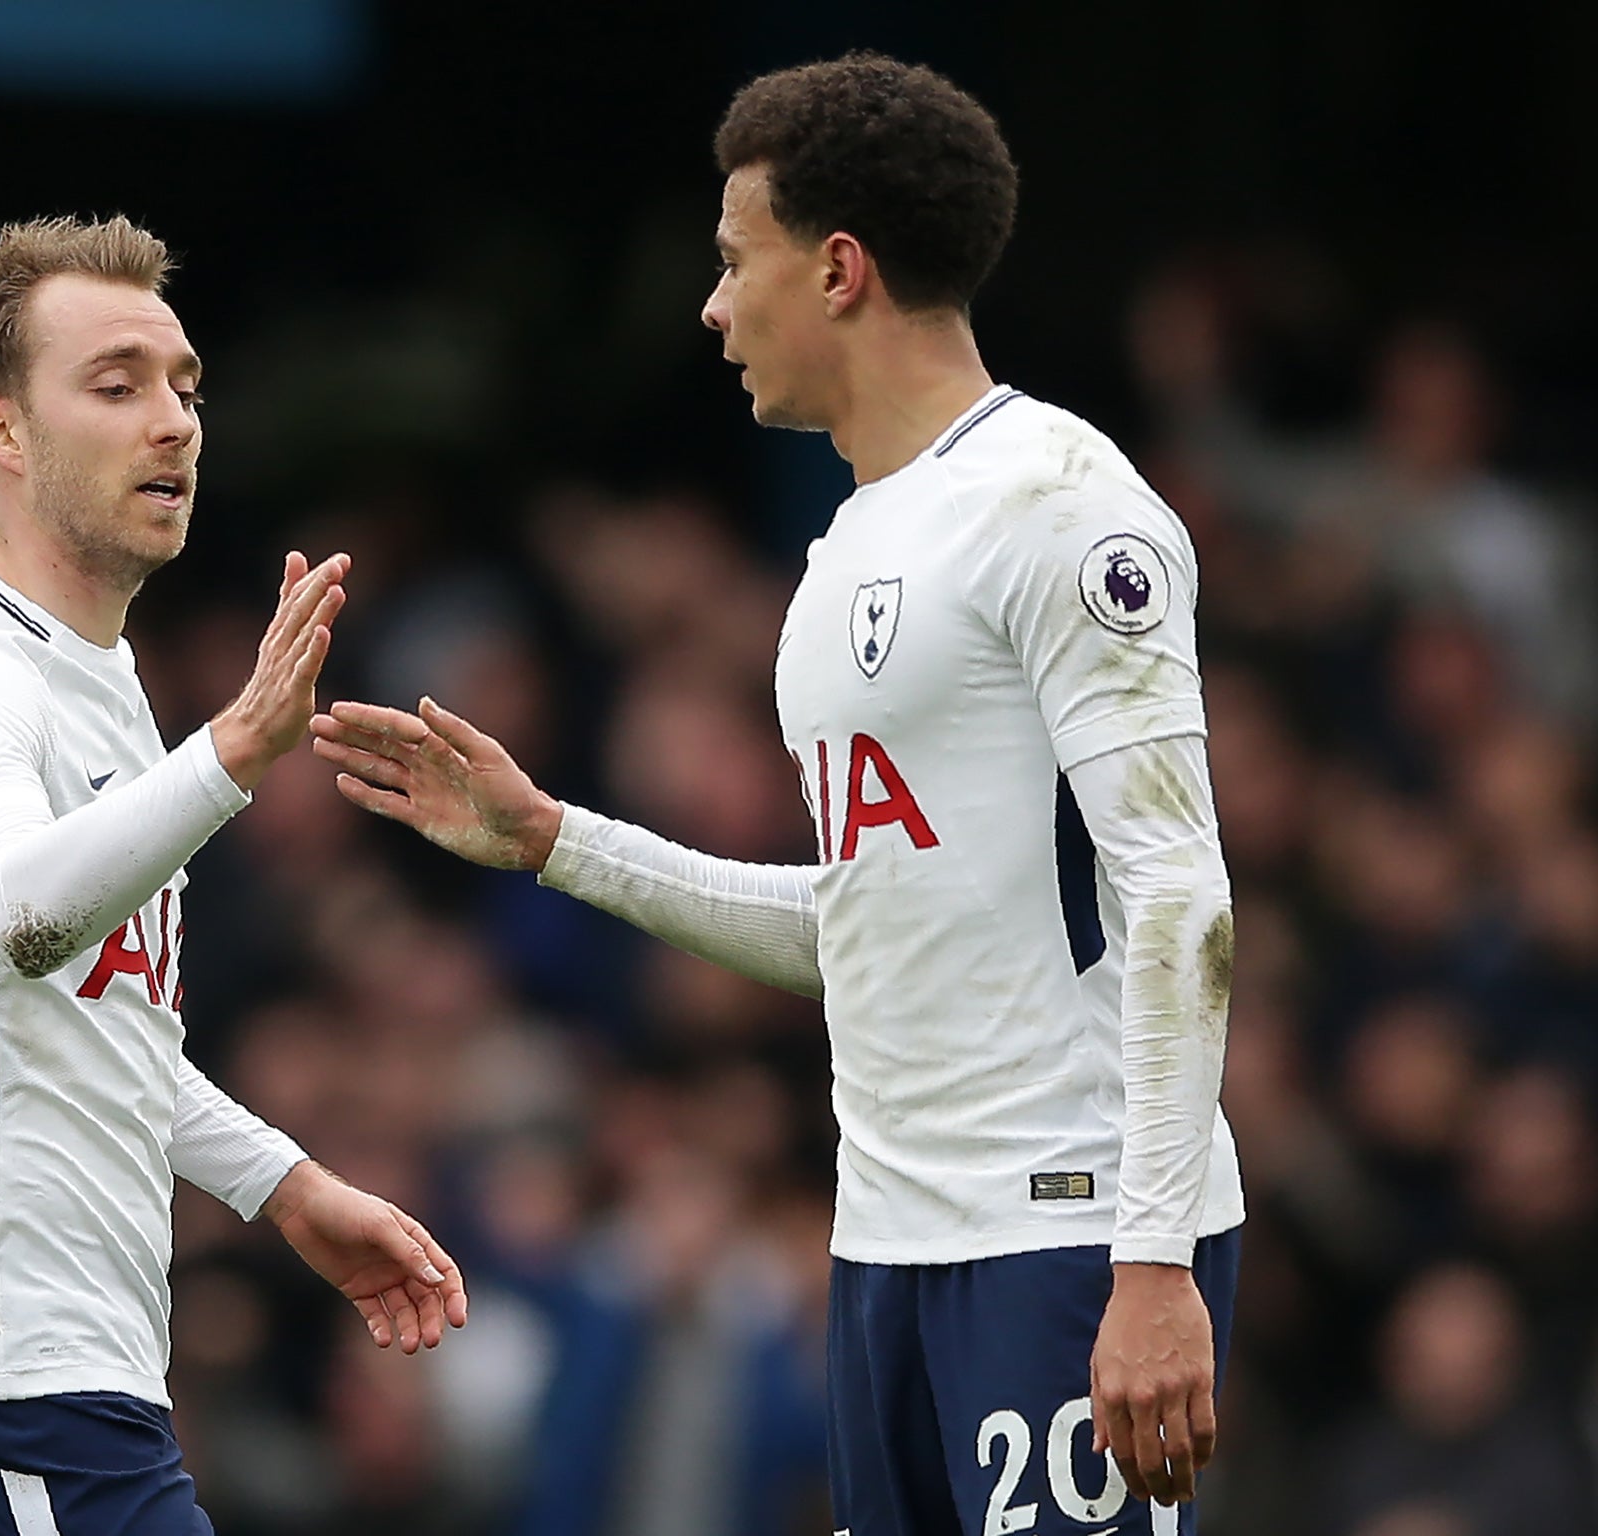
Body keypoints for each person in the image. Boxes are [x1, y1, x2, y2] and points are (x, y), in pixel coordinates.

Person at [312, 53, 1240, 1536]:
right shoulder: (840, 567)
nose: (713, 304)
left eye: (735, 260)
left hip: (1066, 1231)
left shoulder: (1062, 506)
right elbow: (861, 927)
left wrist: (1152, 1260)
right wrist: (556, 842)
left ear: (842, 270)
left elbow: (1180, 891)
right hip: (884, 1244)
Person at [0, 214, 466, 1536]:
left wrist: (287, 1187)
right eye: (115, 386)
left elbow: (96, 1037)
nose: (172, 421)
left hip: (60, 1373)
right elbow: (25, 915)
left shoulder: (103, 684)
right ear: (2, 431)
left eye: (185, 387)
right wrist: (234, 750)